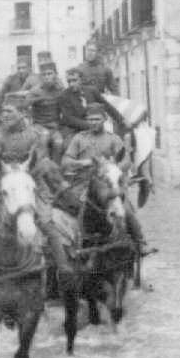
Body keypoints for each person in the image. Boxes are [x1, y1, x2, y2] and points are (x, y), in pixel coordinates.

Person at [0, 94, 72, 293]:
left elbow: (40, 162)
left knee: (45, 220)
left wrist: (22, 173)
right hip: (6, 185)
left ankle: (63, 266)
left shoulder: (35, 135)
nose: (4, 115)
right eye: (3, 111)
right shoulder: (1, 135)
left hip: (31, 183)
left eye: (9, 111)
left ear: (22, 113)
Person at [61, 102, 146, 255]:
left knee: (125, 209)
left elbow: (126, 160)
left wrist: (112, 169)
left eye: (97, 119)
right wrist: (81, 162)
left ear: (105, 119)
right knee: (67, 210)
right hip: (83, 184)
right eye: (90, 119)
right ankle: (70, 245)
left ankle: (140, 240)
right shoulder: (79, 139)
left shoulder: (113, 139)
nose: (93, 122)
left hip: (108, 184)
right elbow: (65, 162)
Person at [27, 58, 67, 160]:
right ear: (41, 77)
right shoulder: (35, 90)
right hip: (39, 126)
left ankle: (56, 168)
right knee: (44, 138)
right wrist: (37, 99)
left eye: (50, 73)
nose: (47, 77)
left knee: (59, 142)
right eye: (44, 74)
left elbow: (66, 108)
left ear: (55, 75)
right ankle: (42, 167)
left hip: (54, 126)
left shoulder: (60, 90)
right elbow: (25, 104)